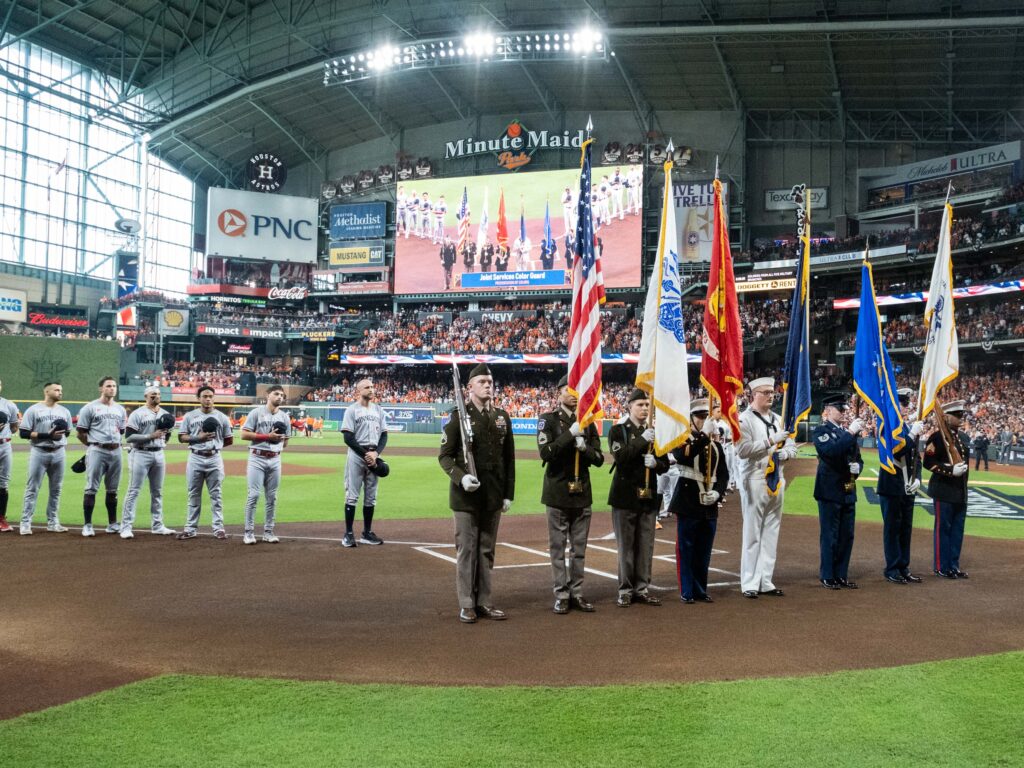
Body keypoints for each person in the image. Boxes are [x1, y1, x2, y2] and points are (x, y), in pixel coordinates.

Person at [438, 363, 515, 624]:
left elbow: (509, 460)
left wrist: (508, 494)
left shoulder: (502, 417)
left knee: (486, 551)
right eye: (482, 381)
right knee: (467, 551)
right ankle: (466, 603)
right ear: (469, 387)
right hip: (466, 497)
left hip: (492, 495)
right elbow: (445, 457)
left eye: (490, 381)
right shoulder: (458, 417)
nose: (488, 385)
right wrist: (461, 478)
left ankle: (484, 601)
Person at [537, 373, 604, 614]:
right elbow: (546, 453)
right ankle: (561, 594)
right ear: (559, 393)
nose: (572, 394)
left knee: (579, 549)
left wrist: (584, 447)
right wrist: (569, 435)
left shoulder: (588, 422)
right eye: (567, 389)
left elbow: (599, 459)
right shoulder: (548, 420)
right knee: (557, 548)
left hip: (581, 494)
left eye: (576, 390)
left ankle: (577, 592)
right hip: (557, 493)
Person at [606, 388, 668, 607]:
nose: (644, 408)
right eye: (640, 404)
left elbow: (665, 464)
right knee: (626, 547)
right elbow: (621, 457)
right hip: (624, 497)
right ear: (629, 406)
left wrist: (657, 463)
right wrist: (642, 440)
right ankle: (625, 589)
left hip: (648, 496)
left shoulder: (654, 432)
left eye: (646, 405)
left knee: (645, 546)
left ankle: (641, 588)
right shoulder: (618, 431)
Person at [735, 378, 796, 598]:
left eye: (773, 392)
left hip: (776, 478)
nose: (771, 396)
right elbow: (743, 450)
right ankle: (750, 582)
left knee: (771, 532)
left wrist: (787, 453)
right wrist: (771, 442)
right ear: (754, 395)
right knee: (752, 533)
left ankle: (765, 580)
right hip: (755, 478)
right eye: (766, 392)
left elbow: (791, 446)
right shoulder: (744, 420)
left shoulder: (779, 419)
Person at [669, 399, 729, 604]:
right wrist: (704, 436)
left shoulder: (716, 447)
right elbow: (684, 457)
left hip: (709, 504)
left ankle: (700, 589)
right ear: (691, 419)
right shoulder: (683, 440)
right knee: (686, 548)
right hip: (687, 501)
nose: (704, 421)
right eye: (700, 417)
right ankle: (687, 590)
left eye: (706, 417)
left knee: (704, 550)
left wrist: (718, 493)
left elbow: (723, 476)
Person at [812, 394, 863, 590]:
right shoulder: (821, 430)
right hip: (829, 490)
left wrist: (858, 467)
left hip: (848, 489)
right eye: (840, 409)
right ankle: (827, 575)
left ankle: (841, 574)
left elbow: (856, 457)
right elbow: (830, 451)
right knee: (830, 535)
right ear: (829, 410)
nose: (843, 413)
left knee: (846, 535)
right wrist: (850, 433)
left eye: (844, 409)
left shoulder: (846, 432)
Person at [877, 388, 925, 584]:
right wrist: (913, 435)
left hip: (907, 486)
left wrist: (918, 478)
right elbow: (896, 451)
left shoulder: (904, 427)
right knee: (893, 528)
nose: (906, 407)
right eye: (903, 403)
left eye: (907, 404)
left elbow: (916, 458)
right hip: (892, 486)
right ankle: (892, 568)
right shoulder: (888, 427)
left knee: (905, 528)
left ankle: (904, 566)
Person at [176, 386, 234, 540]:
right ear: (198, 398)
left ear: (214, 398)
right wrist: (198, 439)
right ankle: (190, 528)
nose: (208, 399)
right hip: (195, 457)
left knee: (216, 494)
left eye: (210, 396)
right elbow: (181, 437)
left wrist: (214, 446)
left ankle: (218, 528)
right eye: (204, 396)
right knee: (193, 494)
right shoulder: (190, 416)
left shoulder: (222, 417)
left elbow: (228, 440)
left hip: (214, 457)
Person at [119, 386, 177, 539]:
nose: (156, 397)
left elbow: (168, 435)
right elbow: (129, 437)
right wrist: (150, 436)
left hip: (159, 453)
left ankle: (157, 525)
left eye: (158, 394)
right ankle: (125, 527)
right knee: (134, 490)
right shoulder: (137, 414)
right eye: (152, 394)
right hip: (140, 453)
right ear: (145, 396)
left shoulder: (165, 414)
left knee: (157, 492)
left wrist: (161, 438)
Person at [923, 400, 971, 579]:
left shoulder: (962, 438)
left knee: (957, 530)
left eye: (961, 415)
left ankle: (953, 565)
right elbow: (927, 462)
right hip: (943, 490)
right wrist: (950, 470)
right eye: (956, 415)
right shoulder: (937, 437)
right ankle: (941, 566)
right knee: (943, 529)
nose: (960, 418)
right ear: (946, 417)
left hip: (959, 492)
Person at [18, 382, 72, 535]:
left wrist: (58, 432)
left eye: (61, 389)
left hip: (59, 452)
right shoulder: (33, 410)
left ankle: (53, 522)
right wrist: (47, 435)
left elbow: (67, 432)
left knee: (56, 489)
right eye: (56, 390)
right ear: (47, 391)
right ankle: (26, 523)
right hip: (39, 452)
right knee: (32, 488)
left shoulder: (65, 411)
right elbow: (23, 433)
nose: (60, 392)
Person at [76, 376, 127, 537]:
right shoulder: (89, 408)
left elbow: (122, 431)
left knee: (113, 489)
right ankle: (88, 525)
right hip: (97, 449)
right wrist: (93, 446)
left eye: (114, 386)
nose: (112, 388)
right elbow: (80, 433)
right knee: (91, 488)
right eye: (108, 386)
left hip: (117, 450)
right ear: (101, 388)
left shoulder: (120, 409)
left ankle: (112, 524)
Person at [240, 386, 291, 545]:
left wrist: (278, 441)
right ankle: (248, 532)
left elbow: (286, 442)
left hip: (275, 459)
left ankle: (268, 532)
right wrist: (267, 437)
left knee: (272, 497)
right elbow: (243, 434)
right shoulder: (256, 412)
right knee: (253, 495)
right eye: (276, 394)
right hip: (257, 457)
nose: (279, 397)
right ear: (268, 395)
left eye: (282, 395)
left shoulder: (285, 417)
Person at [340, 378, 388, 547]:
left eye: (372, 386)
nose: (371, 389)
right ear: (359, 391)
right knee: (352, 495)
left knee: (371, 497)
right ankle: (348, 534)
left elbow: (384, 435)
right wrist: (365, 454)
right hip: (356, 455)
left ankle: (367, 533)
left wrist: (375, 453)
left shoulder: (378, 410)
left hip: (372, 455)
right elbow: (347, 437)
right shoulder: (352, 410)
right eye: (367, 387)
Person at [0, 377, 20, 533]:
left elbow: (14, 427)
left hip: (4, 445)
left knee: (3, 483)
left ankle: (1, 519)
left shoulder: (9, 404)